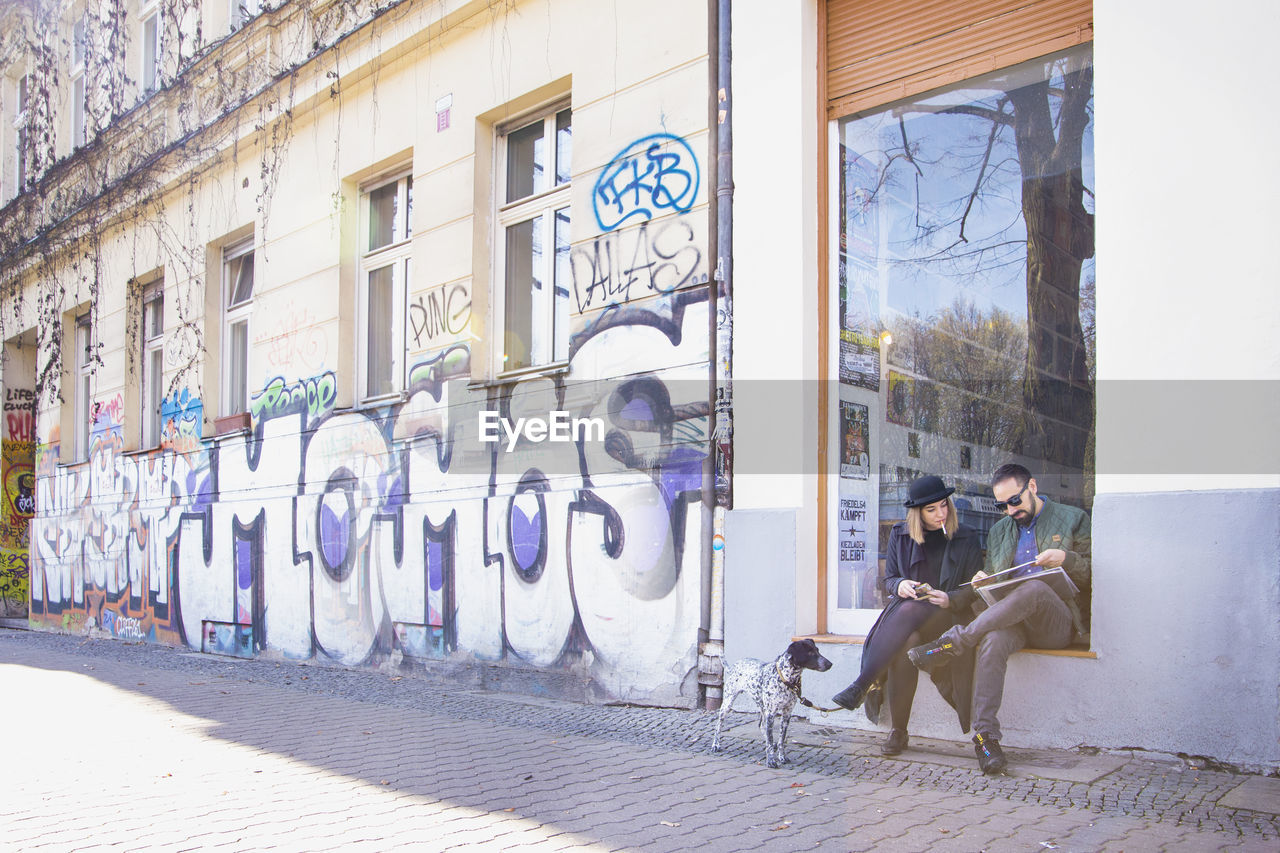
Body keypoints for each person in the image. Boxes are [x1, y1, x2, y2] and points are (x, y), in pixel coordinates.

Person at [907, 462, 1091, 774]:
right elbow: (996, 579)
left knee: (1034, 587)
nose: (1009, 510)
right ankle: (986, 738)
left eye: (1014, 501)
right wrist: (984, 582)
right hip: (1012, 622)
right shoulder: (999, 531)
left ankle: (954, 642)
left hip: (1055, 622)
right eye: (1001, 505)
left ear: (1031, 487)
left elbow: (1091, 575)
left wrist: (1066, 558)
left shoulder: (1073, 518)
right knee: (991, 640)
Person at [830, 475, 982, 755]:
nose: (941, 513)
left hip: (948, 618)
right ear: (917, 513)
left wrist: (949, 598)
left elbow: (974, 589)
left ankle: (862, 683)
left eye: (943, 505)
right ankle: (899, 732)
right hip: (909, 623)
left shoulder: (967, 536)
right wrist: (899, 584)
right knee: (908, 641)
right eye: (932, 509)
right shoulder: (901, 535)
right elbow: (889, 580)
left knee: (911, 610)